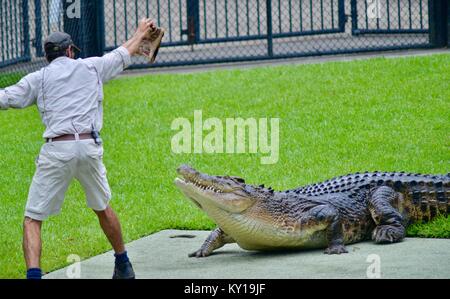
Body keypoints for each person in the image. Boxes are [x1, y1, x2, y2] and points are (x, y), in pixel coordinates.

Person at [0, 18, 158, 279]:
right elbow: (124, 52)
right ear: (70, 51)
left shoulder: (38, 78)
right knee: (103, 207)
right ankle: (124, 264)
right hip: (88, 146)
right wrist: (141, 32)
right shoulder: (92, 66)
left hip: (57, 150)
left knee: (32, 219)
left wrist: (139, 36)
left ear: (47, 57)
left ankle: (34, 276)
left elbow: (5, 98)